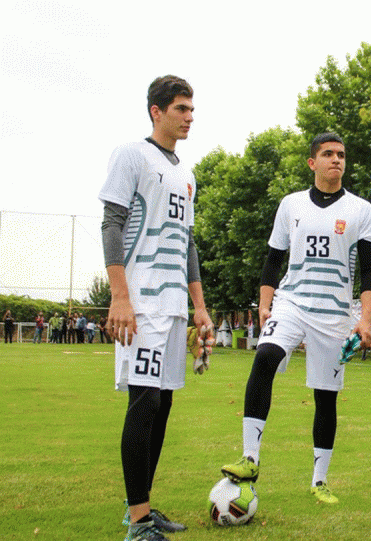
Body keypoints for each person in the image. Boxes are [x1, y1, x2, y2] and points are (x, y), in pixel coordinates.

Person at [220, 132, 371, 506]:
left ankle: (319, 480)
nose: (336, 160)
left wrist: (365, 320)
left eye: (341, 154)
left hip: (335, 314)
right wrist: (265, 304)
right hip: (291, 302)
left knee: (326, 399)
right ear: (313, 163)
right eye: (328, 154)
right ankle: (250, 458)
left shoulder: (361, 210)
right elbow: (272, 260)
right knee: (264, 357)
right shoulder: (290, 205)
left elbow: (370, 273)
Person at [99, 74, 214, 541]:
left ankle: (142, 507)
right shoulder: (131, 154)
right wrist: (119, 296)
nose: (190, 117)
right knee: (143, 400)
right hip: (141, 301)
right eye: (181, 109)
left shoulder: (186, 173)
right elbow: (112, 222)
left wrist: (200, 308)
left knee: (162, 403)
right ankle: (138, 521)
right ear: (157, 111)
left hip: (172, 307)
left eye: (191, 109)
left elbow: (187, 242)